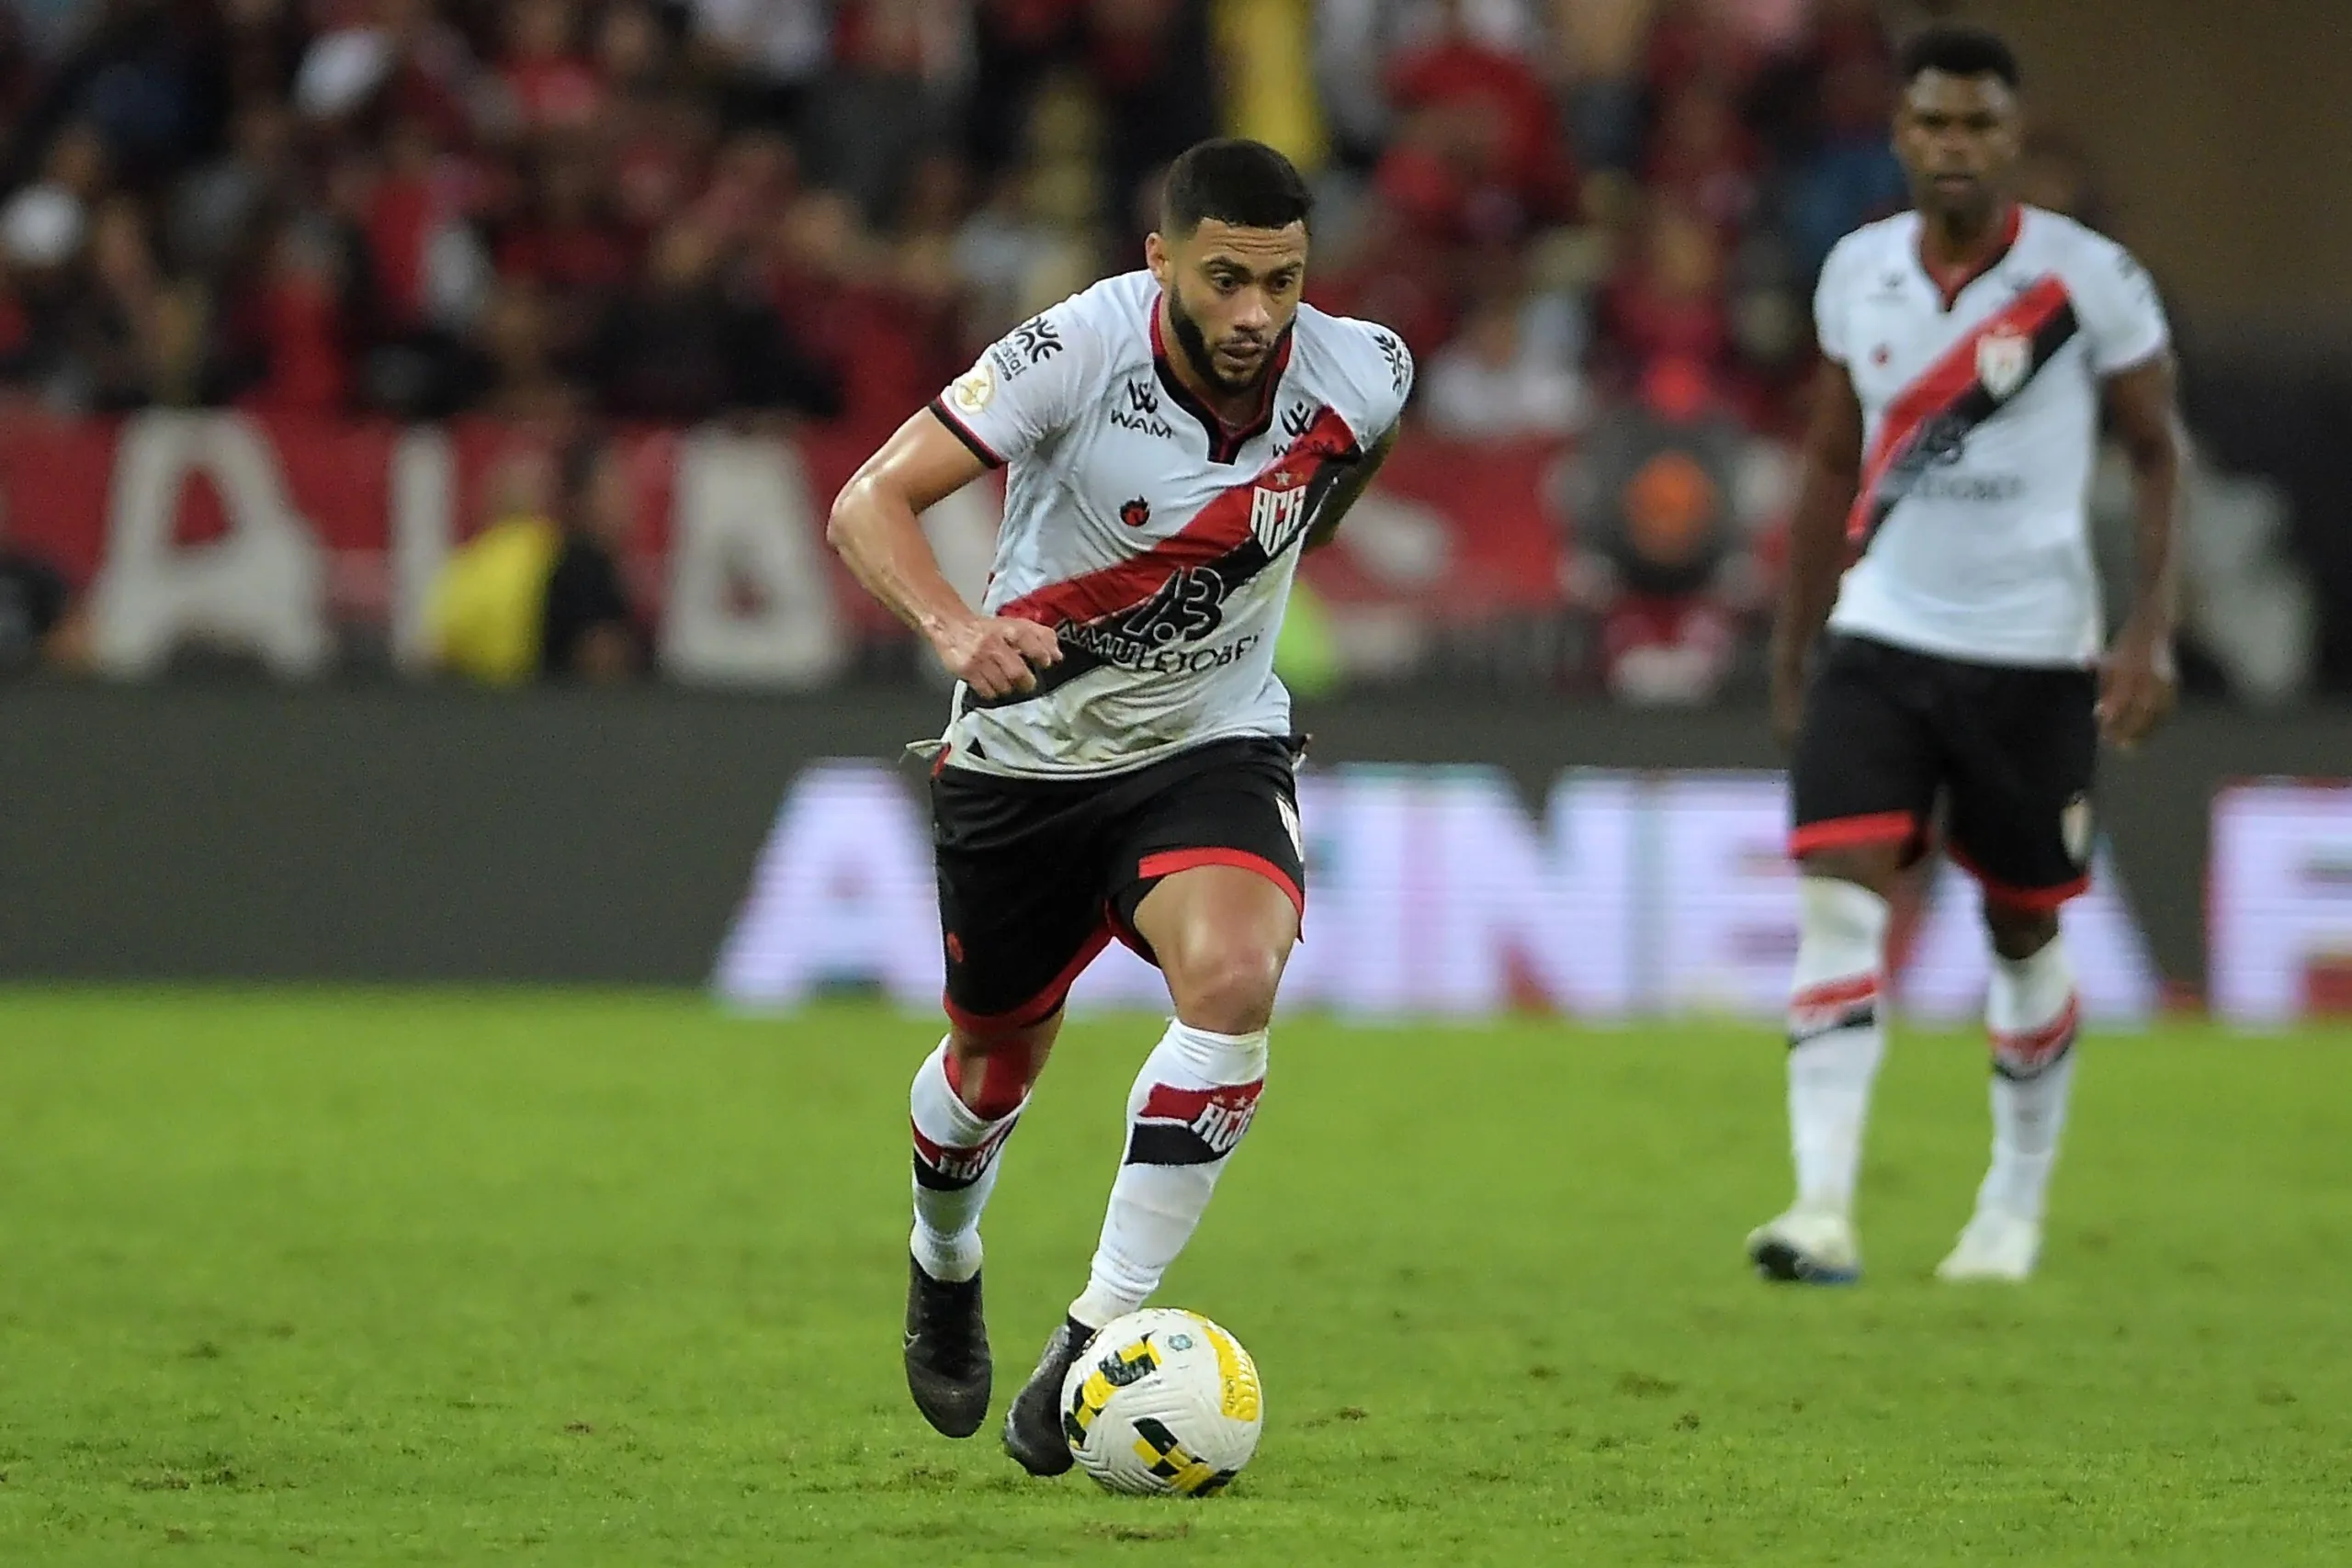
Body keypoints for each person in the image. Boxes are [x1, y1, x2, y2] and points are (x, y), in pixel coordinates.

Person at [826, 138, 1410, 1472]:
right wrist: (956, 627)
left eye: (1282, 280)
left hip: (1210, 745)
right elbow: (869, 502)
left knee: (1235, 975)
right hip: (1026, 763)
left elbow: (1342, 473)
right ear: (1161, 263)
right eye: (1225, 280)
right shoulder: (1074, 350)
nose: (1258, 314)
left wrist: (1257, 585)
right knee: (990, 1073)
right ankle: (944, 1254)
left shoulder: (1362, 369)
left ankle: (1095, 1333)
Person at [1747, 25, 2183, 1286]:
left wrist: (2148, 627)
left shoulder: (2088, 281)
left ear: (2013, 135)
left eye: (1978, 125)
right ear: (1902, 134)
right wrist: (1796, 646)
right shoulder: (1858, 272)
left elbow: (2159, 450)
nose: (1953, 146)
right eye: (1932, 123)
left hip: (2037, 653)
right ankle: (1819, 1209)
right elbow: (1833, 457)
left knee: (2021, 931)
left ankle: (2011, 1207)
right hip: (1884, 635)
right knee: (1837, 899)